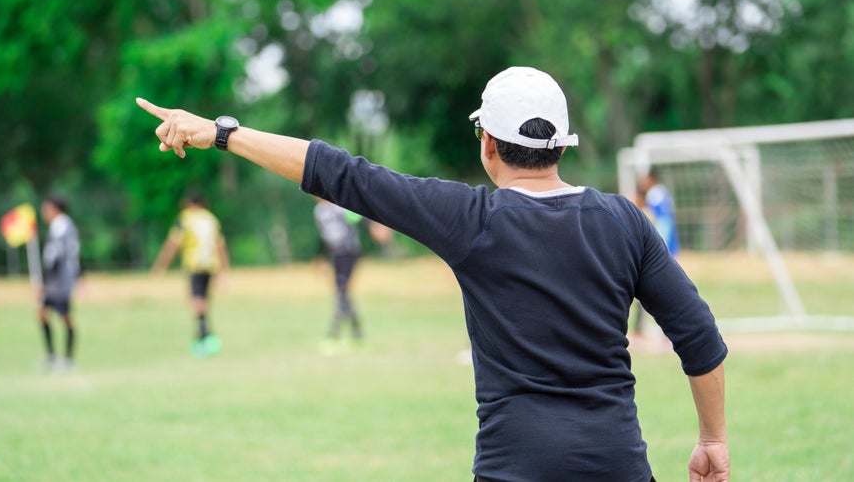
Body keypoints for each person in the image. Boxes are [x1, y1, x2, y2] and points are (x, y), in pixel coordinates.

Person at [136, 66, 729, 482]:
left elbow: (340, 173)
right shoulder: (624, 220)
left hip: (512, 466)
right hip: (617, 464)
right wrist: (711, 441)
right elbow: (700, 341)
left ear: (488, 144)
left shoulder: (471, 219)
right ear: (561, 146)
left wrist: (221, 133)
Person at [152, 194, 230, 357]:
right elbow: (220, 245)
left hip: (195, 265)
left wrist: (161, 265)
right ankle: (206, 334)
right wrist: (224, 271)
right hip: (211, 265)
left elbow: (173, 244)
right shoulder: (211, 219)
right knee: (204, 300)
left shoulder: (186, 219)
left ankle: (204, 336)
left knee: (196, 300)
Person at [313, 198, 392, 354]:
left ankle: (333, 336)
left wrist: (375, 228)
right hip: (335, 256)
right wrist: (320, 257)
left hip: (349, 253)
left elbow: (360, 218)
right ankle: (358, 336)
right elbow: (324, 237)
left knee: (341, 292)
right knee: (344, 294)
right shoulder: (319, 212)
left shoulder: (340, 208)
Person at [631, 170, 681, 345]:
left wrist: (661, 248)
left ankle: (658, 332)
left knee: (655, 291)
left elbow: (664, 223)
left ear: (651, 178)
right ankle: (643, 331)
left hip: (658, 253)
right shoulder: (659, 195)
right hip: (663, 251)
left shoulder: (656, 195)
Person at [38, 196, 81, 372]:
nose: (44, 212)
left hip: (58, 280)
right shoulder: (65, 225)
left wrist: (43, 280)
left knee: (65, 317)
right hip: (58, 279)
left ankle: (67, 359)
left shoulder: (60, 226)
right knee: (42, 313)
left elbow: (54, 256)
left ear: (55, 208)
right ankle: (52, 356)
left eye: (46, 208)